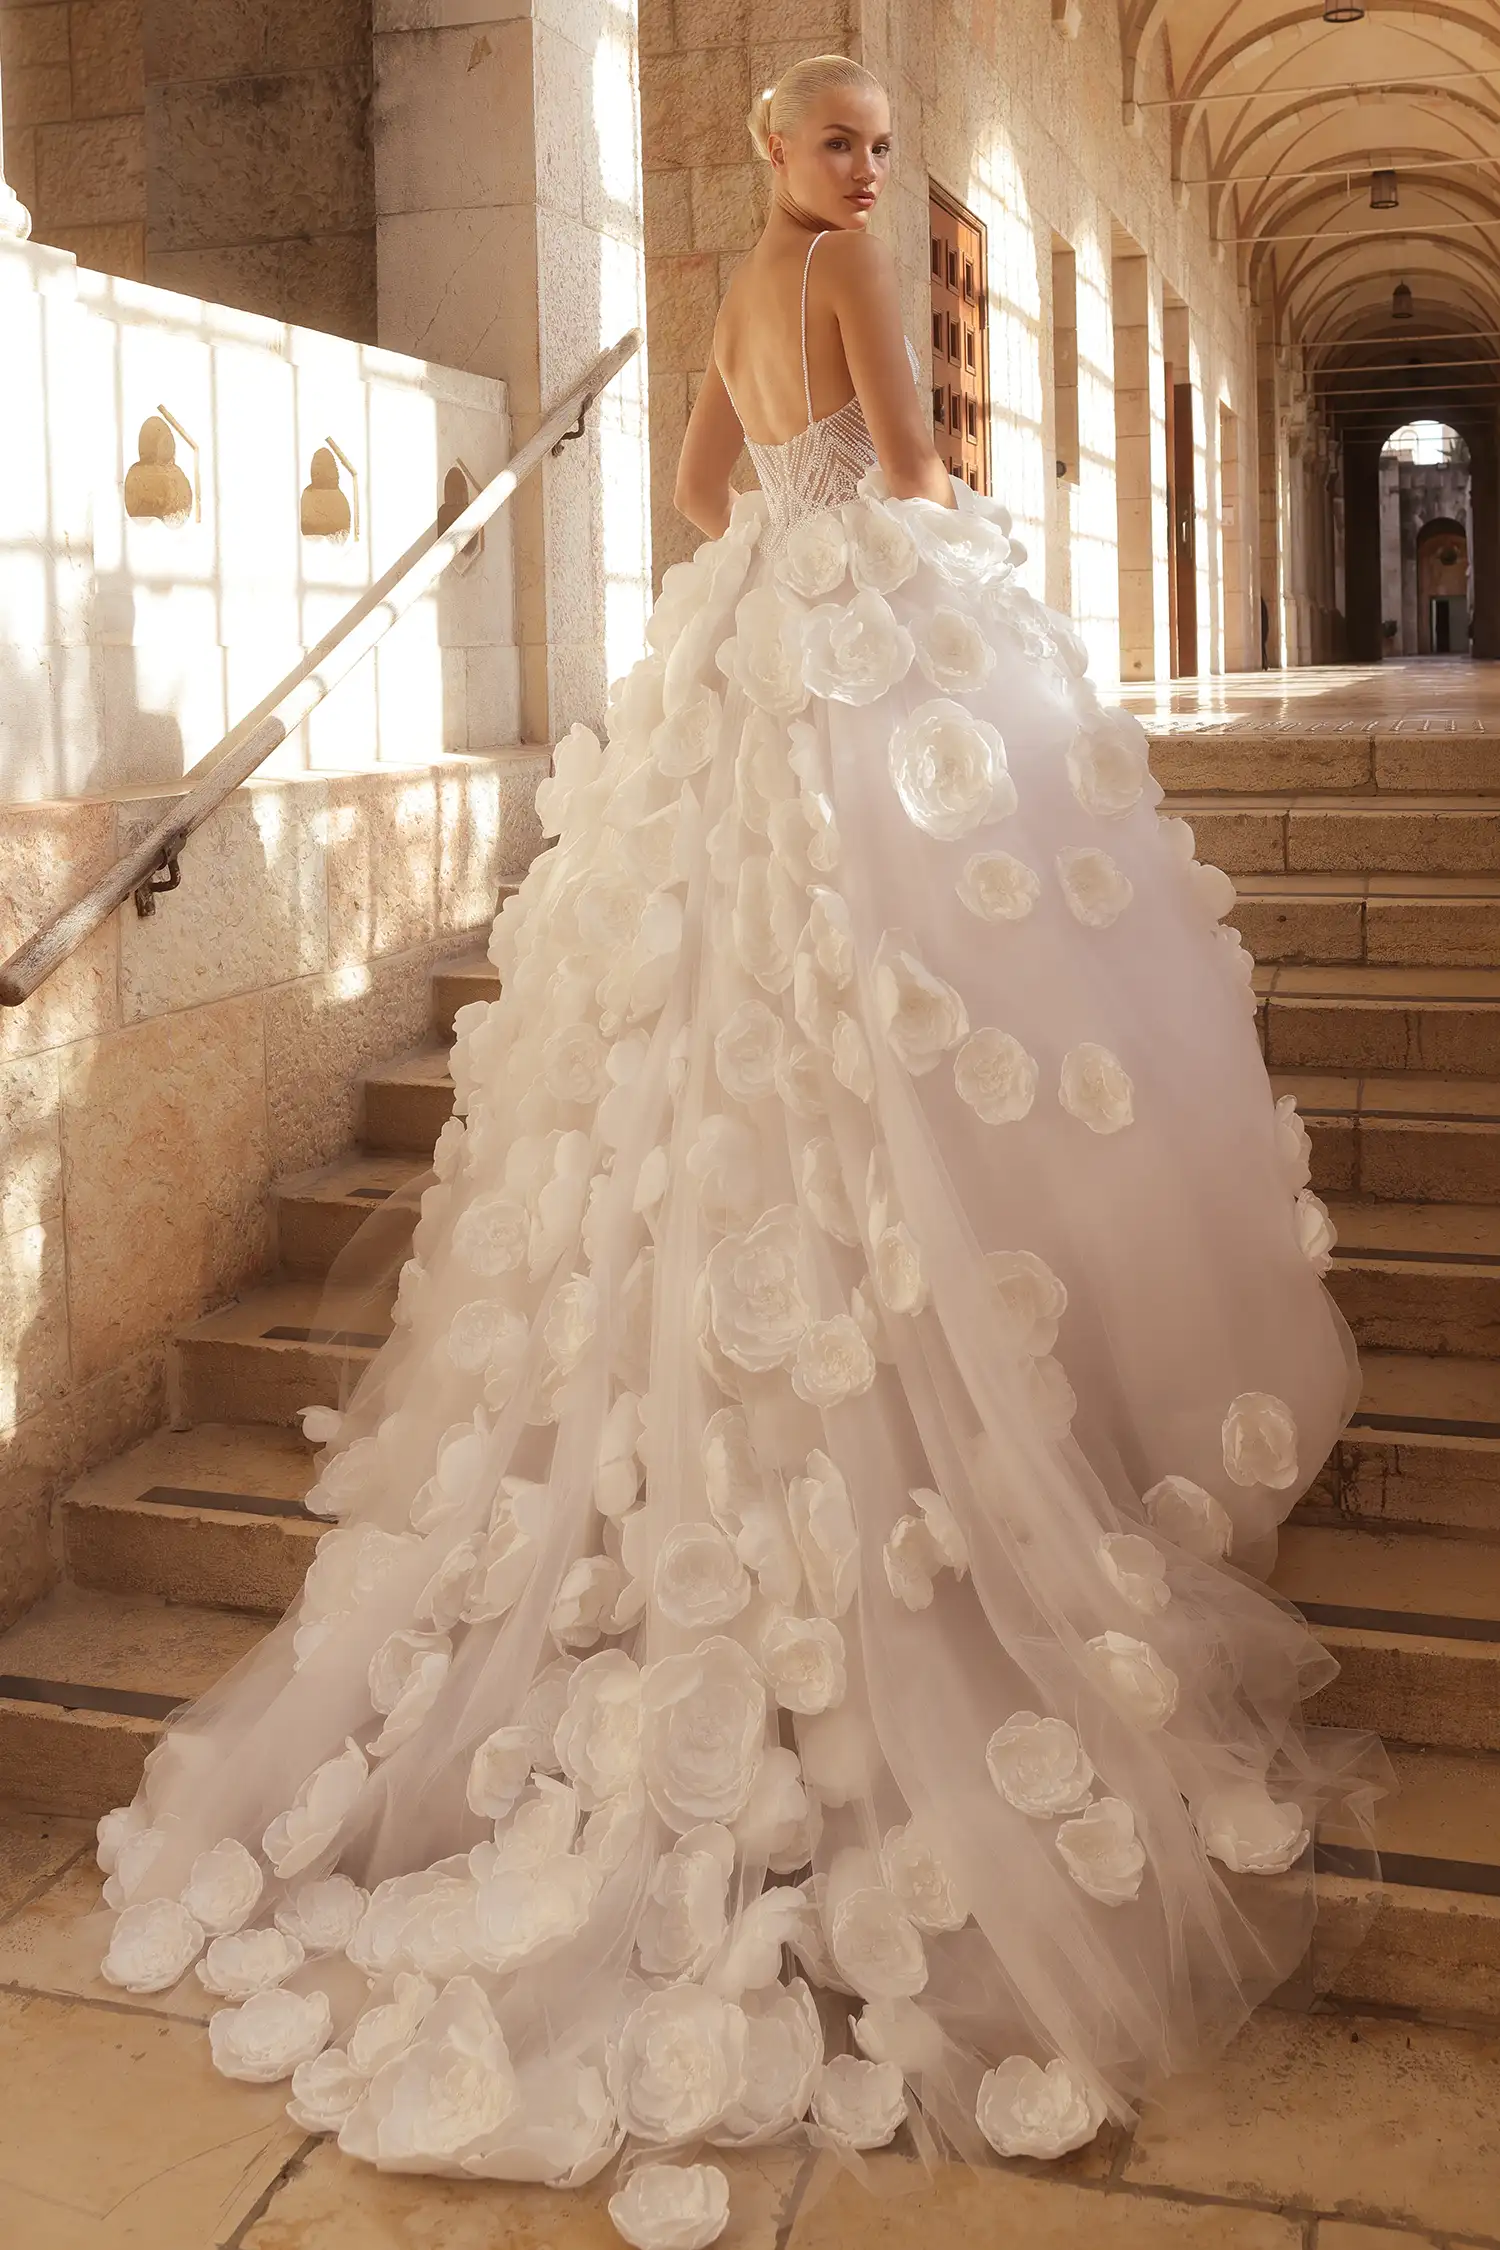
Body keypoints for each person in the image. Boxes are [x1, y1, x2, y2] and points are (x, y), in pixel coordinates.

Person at [89, 52, 1384, 2249]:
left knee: (703, 1059)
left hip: (728, 682)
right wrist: (909, 544)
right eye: (838, 142)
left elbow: (708, 491)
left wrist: (784, 530)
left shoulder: (717, 290)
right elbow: (896, 462)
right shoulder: (859, 273)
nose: (864, 169)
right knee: (913, 1024)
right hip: (845, 666)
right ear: (793, 158)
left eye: (878, 141)